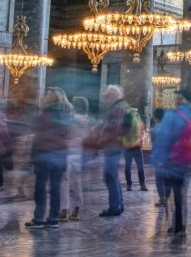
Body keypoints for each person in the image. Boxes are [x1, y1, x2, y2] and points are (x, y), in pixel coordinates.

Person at [151, 88, 191, 243]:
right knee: (180, 195)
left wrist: (157, 159)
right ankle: (180, 225)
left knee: (170, 194)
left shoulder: (172, 115)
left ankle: (176, 226)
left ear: (180, 98)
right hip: (186, 161)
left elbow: (163, 137)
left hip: (170, 160)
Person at [25, 87, 72, 230]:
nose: (43, 97)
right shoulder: (66, 114)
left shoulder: (47, 114)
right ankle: (53, 219)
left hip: (45, 154)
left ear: (51, 98)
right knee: (55, 188)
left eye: (46, 95)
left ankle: (38, 219)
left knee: (40, 188)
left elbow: (40, 135)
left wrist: (33, 154)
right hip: (59, 154)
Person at [94, 85, 130, 217]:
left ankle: (115, 207)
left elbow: (117, 128)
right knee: (111, 176)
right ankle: (118, 205)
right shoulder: (117, 107)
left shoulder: (119, 107)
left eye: (107, 96)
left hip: (114, 146)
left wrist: (103, 139)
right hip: (112, 146)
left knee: (110, 175)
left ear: (113, 96)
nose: (105, 98)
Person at [61, 96, 90, 221]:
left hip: (68, 152)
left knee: (64, 181)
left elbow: (66, 133)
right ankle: (76, 210)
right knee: (77, 182)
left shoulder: (71, 119)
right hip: (80, 153)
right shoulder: (86, 120)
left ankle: (64, 210)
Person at [150, 107, 171, 208]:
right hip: (169, 156)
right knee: (167, 178)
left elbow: (153, 143)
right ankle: (167, 197)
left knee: (159, 178)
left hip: (159, 155)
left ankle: (162, 198)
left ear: (155, 117)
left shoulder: (154, 129)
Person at [124, 107, 147, 192]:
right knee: (127, 167)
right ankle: (129, 185)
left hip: (137, 147)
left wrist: (141, 139)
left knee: (140, 167)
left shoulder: (140, 123)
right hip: (128, 148)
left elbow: (143, 133)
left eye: (136, 113)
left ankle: (142, 184)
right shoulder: (126, 123)